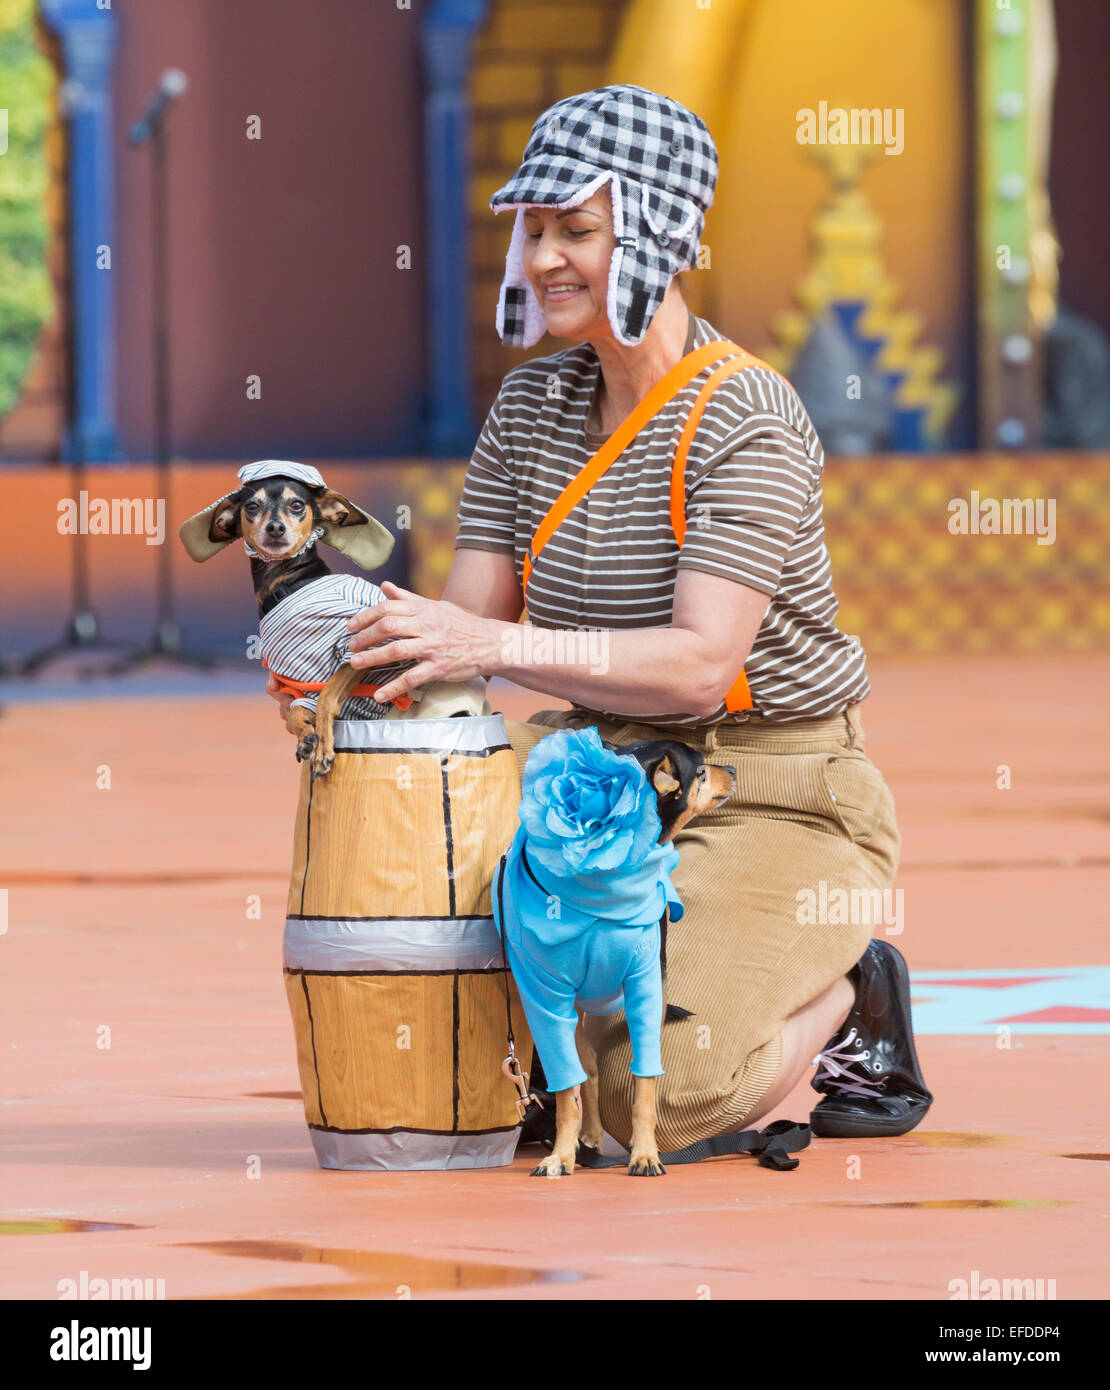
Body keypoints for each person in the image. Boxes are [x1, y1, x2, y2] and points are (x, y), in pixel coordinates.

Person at [267, 84, 932, 1152]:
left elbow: (698, 669)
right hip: (585, 771)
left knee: (643, 1096)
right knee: (426, 911)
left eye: (575, 229)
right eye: (533, 230)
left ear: (660, 235)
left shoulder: (748, 413)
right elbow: (460, 648)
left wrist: (488, 643)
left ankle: (853, 990)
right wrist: (342, 674)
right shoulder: (530, 408)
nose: (541, 259)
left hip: (772, 791)